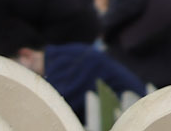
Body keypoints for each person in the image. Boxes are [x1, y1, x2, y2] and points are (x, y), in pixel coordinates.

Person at [15, 43, 148, 114]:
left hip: (135, 114)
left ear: (26, 55)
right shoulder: (65, 57)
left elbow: (49, 109)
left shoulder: (67, 64)